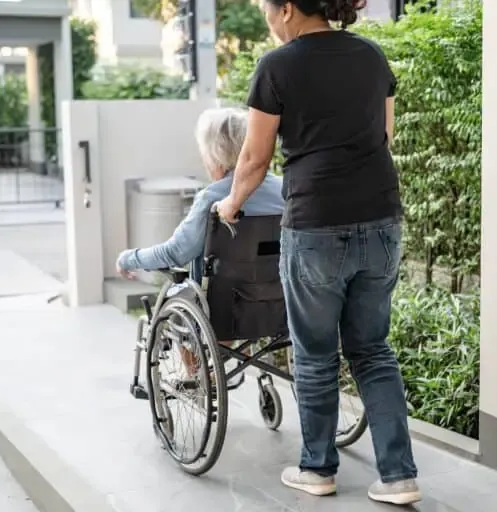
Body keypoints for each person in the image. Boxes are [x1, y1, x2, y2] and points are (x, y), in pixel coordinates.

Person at [214, 0, 420, 505]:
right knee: (372, 350)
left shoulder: (277, 66)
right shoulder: (372, 56)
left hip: (316, 225)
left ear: (286, 8)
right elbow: (385, 136)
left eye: (266, 7)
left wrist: (230, 204)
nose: (265, 16)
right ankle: (399, 476)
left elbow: (255, 156)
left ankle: (318, 469)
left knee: (314, 353)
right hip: (381, 219)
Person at [116, 107, 284, 388]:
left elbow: (174, 253)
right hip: (278, 302)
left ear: (216, 154)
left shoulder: (213, 197)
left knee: (179, 295)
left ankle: (195, 374)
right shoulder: (284, 190)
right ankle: (238, 355)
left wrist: (129, 258)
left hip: (223, 309)